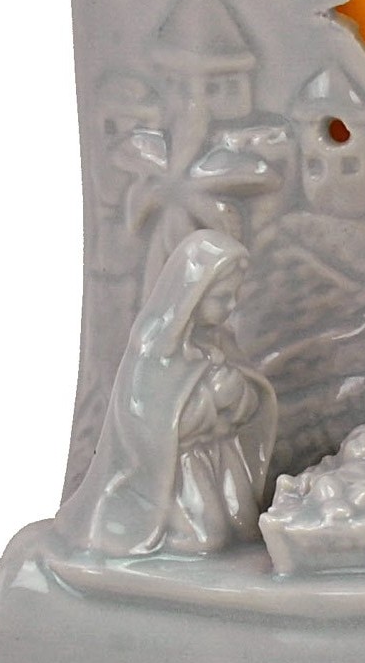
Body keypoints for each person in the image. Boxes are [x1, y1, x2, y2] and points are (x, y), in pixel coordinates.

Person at [55, 230, 277, 557]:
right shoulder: (155, 348)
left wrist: (241, 396)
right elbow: (146, 424)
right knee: (206, 538)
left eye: (234, 296)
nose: (231, 306)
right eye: (221, 298)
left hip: (220, 456)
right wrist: (212, 400)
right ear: (192, 293)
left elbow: (249, 402)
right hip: (175, 471)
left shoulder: (218, 340)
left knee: (244, 524)